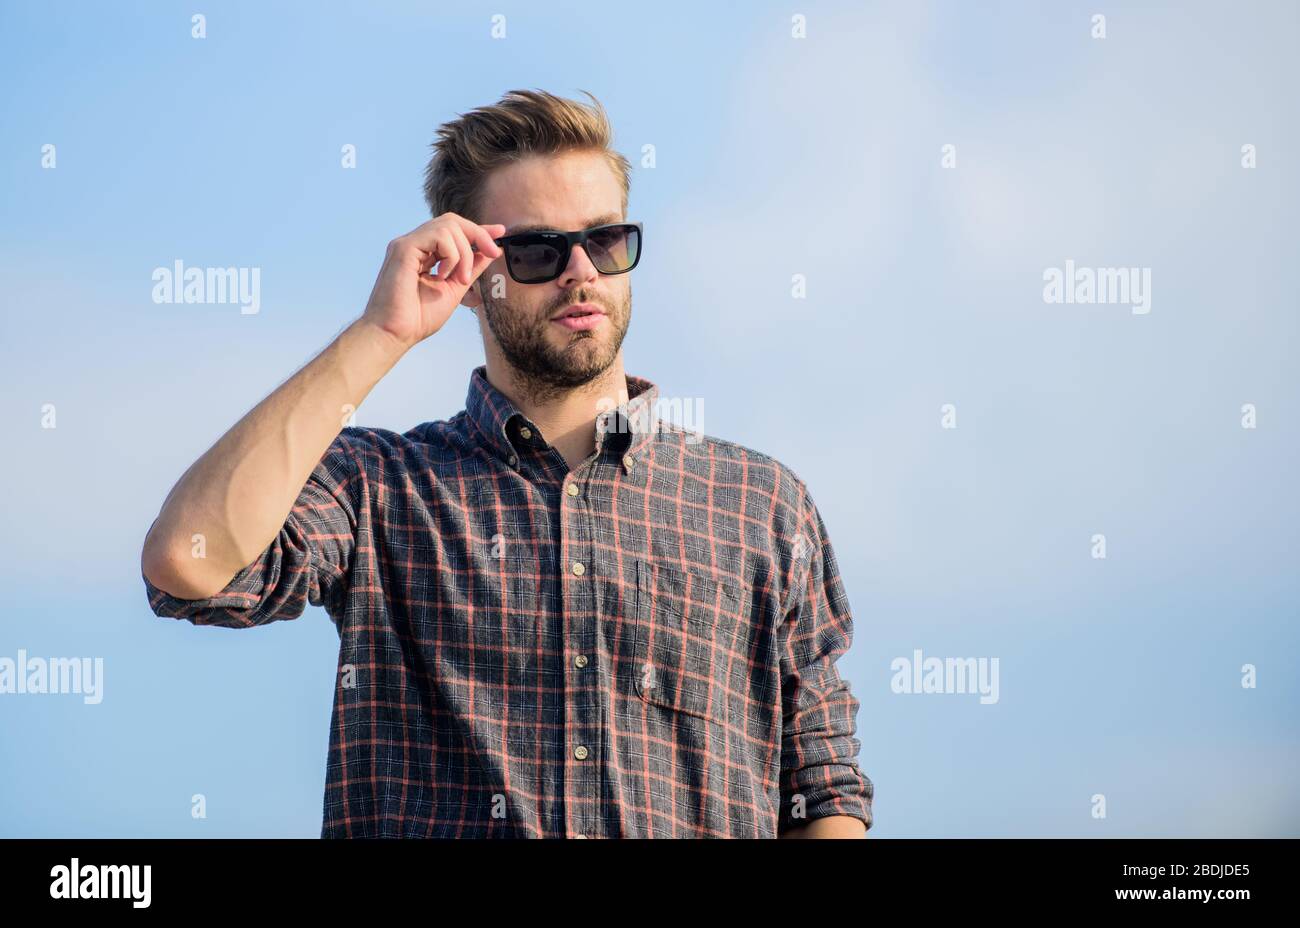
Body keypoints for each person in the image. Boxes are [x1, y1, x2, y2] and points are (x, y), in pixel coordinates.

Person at [140, 88, 872, 838]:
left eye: (606, 240)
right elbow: (188, 565)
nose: (581, 271)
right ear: (468, 278)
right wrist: (379, 333)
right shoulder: (382, 488)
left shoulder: (758, 502)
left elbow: (822, 790)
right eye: (536, 251)